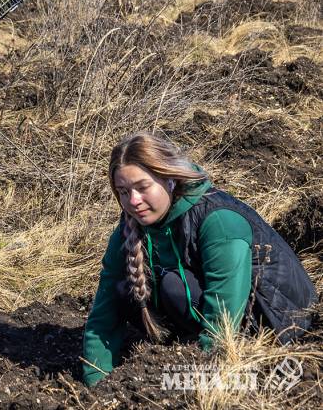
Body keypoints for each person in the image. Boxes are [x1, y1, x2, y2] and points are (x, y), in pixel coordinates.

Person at [82, 132, 317, 386]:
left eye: (142, 187)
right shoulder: (130, 225)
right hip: (208, 306)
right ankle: (181, 344)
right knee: (124, 287)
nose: (133, 201)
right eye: (123, 191)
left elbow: (223, 310)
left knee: (173, 285)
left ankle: (193, 350)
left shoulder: (217, 219)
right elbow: (104, 310)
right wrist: (96, 383)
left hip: (274, 323)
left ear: (169, 178)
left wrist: (200, 379)